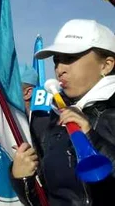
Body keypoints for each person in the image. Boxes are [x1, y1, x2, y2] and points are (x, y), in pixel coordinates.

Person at [11, 19, 115, 205]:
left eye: (70, 58)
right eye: (57, 61)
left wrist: (91, 138)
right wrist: (23, 179)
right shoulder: (53, 120)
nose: (60, 69)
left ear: (106, 65)